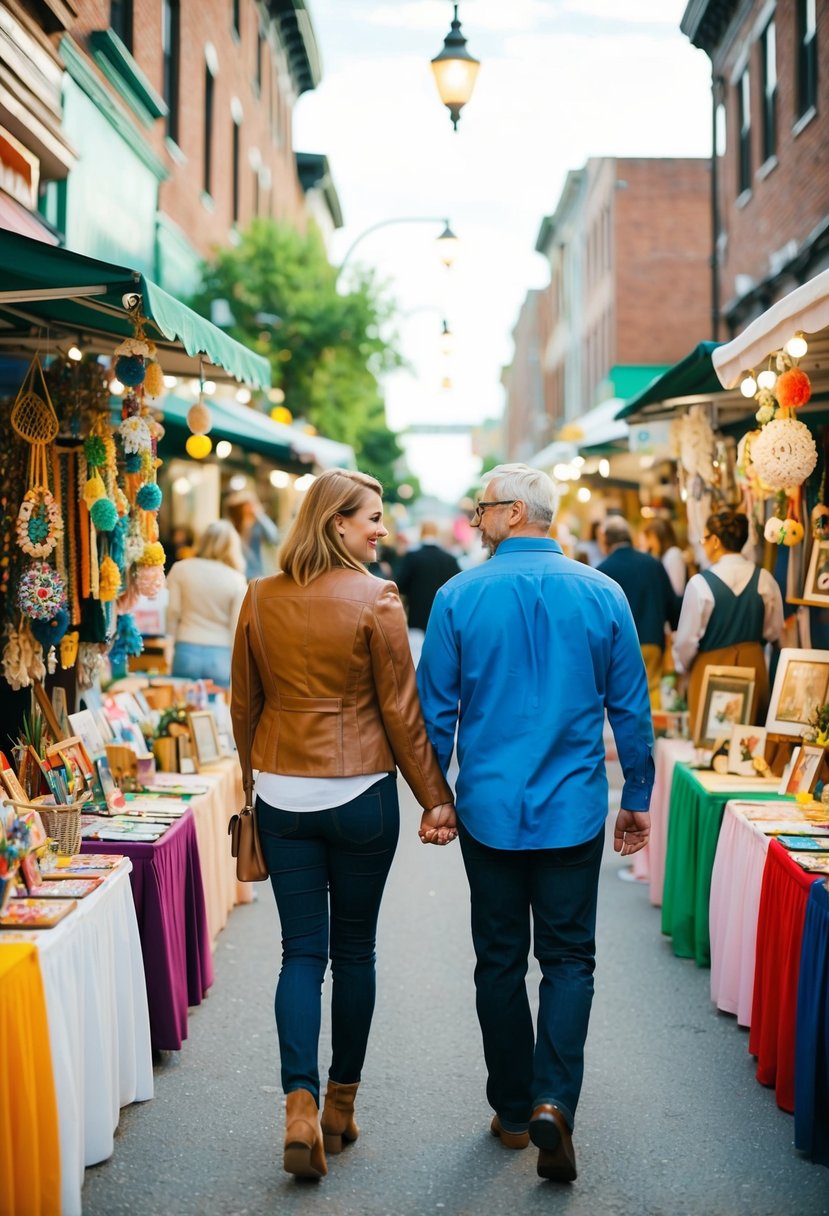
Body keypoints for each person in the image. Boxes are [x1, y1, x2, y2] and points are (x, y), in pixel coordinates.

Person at [416, 463, 653, 1184]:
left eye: (483, 507)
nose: (477, 517)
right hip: (573, 808)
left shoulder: (457, 596)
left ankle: (515, 1111)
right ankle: (555, 1099)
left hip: (487, 809)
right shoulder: (602, 594)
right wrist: (636, 794)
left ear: (515, 512)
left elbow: (435, 713)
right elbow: (631, 711)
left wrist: (435, 795)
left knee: (496, 960)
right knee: (568, 959)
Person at [229, 468, 455, 1182]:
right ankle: (339, 1107)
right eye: (370, 518)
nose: (380, 529)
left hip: (283, 794)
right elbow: (399, 710)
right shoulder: (375, 597)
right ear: (336, 525)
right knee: (354, 951)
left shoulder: (259, 597)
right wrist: (434, 798)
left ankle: (297, 1105)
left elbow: (244, 704)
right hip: (359, 793)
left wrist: (251, 776)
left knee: (301, 954)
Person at [674, 508, 784, 726]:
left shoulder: (700, 584)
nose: (702, 544)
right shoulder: (764, 579)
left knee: (710, 744)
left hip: (710, 669)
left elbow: (686, 643)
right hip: (753, 665)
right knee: (751, 743)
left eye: (703, 539)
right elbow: (774, 630)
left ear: (715, 541)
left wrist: (682, 668)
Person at [597, 516, 682, 709]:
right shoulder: (652, 564)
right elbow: (672, 605)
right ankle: (653, 736)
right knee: (651, 692)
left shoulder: (601, 571)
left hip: (618, 646)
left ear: (606, 541)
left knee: (623, 697)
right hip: (652, 641)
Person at [166, 520, 247, 687]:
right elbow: (236, 626)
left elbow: (172, 611)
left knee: (181, 709)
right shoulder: (236, 579)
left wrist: (169, 646)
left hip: (186, 647)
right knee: (215, 710)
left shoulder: (181, 569)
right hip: (220, 654)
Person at [394, 520, 461, 664]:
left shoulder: (412, 557)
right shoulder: (449, 559)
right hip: (443, 620)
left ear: (422, 532)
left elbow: (399, 584)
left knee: (416, 661)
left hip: (417, 619)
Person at [224, 488, 280, 580]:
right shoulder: (232, 526)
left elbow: (274, 537)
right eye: (246, 504)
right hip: (236, 572)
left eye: (250, 504)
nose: (248, 507)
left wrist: (259, 514)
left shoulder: (258, 524)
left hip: (256, 573)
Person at [641, 518, 687, 596]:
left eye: (651, 538)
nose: (649, 543)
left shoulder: (673, 554)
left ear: (661, 537)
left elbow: (677, 590)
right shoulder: (659, 555)